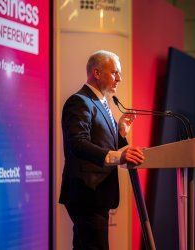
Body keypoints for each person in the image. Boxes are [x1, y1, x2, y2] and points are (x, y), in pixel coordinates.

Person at [59, 50, 145, 249]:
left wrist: (121, 132)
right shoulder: (80, 101)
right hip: (87, 194)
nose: (119, 79)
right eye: (115, 72)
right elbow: (77, 143)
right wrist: (119, 156)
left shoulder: (100, 102)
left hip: (98, 193)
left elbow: (105, 142)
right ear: (96, 73)